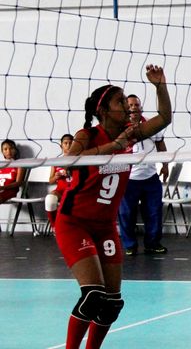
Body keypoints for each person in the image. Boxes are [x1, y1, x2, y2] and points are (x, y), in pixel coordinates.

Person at [56, 65, 171, 349]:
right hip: (75, 222)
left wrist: (160, 86)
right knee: (93, 295)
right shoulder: (87, 135)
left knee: (112, 303)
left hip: (105, 226)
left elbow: (164, 118)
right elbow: (70, 161)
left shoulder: (131, 135)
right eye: (120, 101)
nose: (127, 106)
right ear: (104, 110)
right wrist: (113, 146)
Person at [117, 94, 170, 256]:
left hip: (150, 177)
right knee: (126, 213)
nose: (133, 107)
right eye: (130, 105)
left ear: (141, 108)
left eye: (136, 105)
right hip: (128, 179)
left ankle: (152, 244)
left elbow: (161, 145)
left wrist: (165, 165)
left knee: (154, 212)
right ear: (126, 108)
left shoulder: (150, 125)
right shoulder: (119, 128)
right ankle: (130, 245)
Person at [46, 133, 75, 227]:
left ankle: (71, 226)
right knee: (50, 199)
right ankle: (54, 226)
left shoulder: (80, 160)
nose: (68, 145)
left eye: (71, 143)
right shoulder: (56, 161)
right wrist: (56, 177)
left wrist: (72, 173)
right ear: (61, 145)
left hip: (75, 191)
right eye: (65, 143)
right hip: (60, 191)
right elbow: (50, 181)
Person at [0, 139, 24, 204]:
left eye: (11, 148)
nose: (8, 151)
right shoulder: (1, 165)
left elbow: (18, 183)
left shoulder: (20, 164)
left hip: (10, 190)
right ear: (2, 151)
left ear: (15, 150)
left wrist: (3, 187)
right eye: (5, 149)